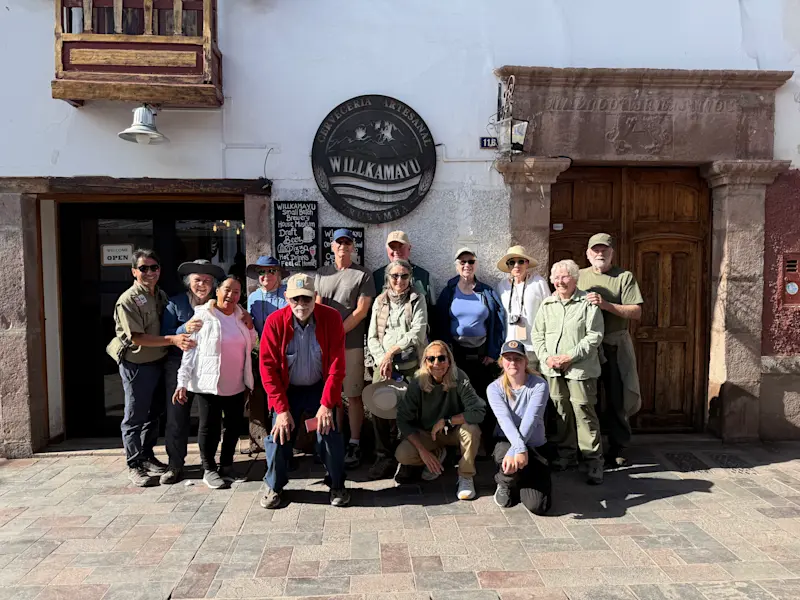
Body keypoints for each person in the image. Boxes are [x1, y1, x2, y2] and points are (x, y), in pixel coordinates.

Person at [106, 249, 195, 487]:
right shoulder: (128, 300)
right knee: (134, 415)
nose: (149, 272)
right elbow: (137, 337)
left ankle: (146, 456)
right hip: (137, 363)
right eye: (143, 268)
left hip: (159, 362)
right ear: (134, 271)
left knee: (153, 414)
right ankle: (134, 464)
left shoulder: (160, 295)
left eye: (153, 267)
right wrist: (173, 340)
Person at [260, 273, 349, 508]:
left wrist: (327, 404)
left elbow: (337, 366)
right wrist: (280, 409)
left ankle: (337, 484)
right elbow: (267, 368)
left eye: (306, 299)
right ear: (287, 298)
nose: (301, 304)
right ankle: (274, 486)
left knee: (329, 434)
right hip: (286, 389)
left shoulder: (331, 319)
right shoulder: (274, 322)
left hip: (319, 388)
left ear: (315, 298)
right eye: (295, 299)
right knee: (279, 436)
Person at [173, 275, 257, 489]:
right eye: (227, 289)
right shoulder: (202, 316)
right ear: (217, 291)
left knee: (233, 426)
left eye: (237, 291)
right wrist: (182, 381)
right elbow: (189, 352)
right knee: (209, 427)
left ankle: (227, 466)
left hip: (236, 382)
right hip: (208, 383)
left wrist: (250, 324)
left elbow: (252, 342)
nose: (231, 295)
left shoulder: (240, 317)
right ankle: (209, 469)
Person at [532, 259, 605, 485]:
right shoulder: (547, 305)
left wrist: (569, 356)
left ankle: (593, 461)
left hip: (580, 369)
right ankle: (567, 455)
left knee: (583, 412)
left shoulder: (588, 303)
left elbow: (594, 336)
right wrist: (547, 358)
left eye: (565, 277)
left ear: (575, 279)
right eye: (556, 277)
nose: (559, 281)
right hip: (553, 370)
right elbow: (538, 335)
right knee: (561, 412)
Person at [578, 233, 643, 468]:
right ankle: (588, 448)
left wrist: (606, 305)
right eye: (595, 250)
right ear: (588, 253)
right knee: (587, 399)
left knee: (617, 398)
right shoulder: (580, 276)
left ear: (612, 252)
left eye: (604, 250)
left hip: (614, 346)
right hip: (586, 348)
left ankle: (618, 446)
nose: (599, 254)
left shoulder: (624, 277)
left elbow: (636, 312)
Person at [160, 259, 226, 484]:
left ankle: (210, 465)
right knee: (177, 416)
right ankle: (175, 464)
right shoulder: (175, 304)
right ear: (189, 282)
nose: (202, 284)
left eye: (207, 280)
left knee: (210, 419)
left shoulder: (220, 305)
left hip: (209, 368)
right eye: (198, 280)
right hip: (179, 365)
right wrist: (182, 329)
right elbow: (164, 333)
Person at [315, 228, 376, 469]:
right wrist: (323, 335)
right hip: (325, 345)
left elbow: (361, 311)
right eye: (339, 242)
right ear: (332, 246)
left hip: (350, 344)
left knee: (352, 394)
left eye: (347, 242)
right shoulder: (322, 273)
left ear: (353, 247)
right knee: (331, 395)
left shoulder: (363, 275)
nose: (343, 246)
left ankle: (355, 441)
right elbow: (317, 306)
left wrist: (337, 331)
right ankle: (334, 437)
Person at [395, 341, 486, 500]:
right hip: (429, 434)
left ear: (449, 360)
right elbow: (403, 420)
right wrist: (423, 451)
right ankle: (436, 454)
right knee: (402, 454)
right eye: (431, 359)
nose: (437, 363)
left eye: (442, 358)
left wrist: (448, 420)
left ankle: (465, 476)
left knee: (471, 430)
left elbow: (479, 411)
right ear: (425, 362)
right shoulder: (417, 382)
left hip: (453, 430)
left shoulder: (459, 377)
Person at [435, 247, 505, 453]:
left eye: (471, 261)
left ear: (476, 264)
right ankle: (458, 444)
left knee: (483, 397)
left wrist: (493, 352)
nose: (467, 265)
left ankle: (483, 442)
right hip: (455, 354)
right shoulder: (449, 291)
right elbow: (439, 321)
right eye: (462, 262)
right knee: (456, 397)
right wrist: (445, 351)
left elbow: (499, 322)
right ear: (456, 265)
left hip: (482, 355)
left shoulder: (486, 291)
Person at [365, 259, 428, 479]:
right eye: (394, 276)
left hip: (410, 365)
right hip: (384, 365)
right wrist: (383, 359)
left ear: (410, 277)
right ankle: (384, 456)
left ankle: (408, 458)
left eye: (403, 276)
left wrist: (392, 352)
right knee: (378, 408)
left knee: (410, 411)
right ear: (388, 279)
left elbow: (418, 333)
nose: (399, 280)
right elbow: (372, 336)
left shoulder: (417, 299)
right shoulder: (380, 301)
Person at [486, 340, 551, 514]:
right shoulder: (494, 388)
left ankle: (520, 479)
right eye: (508, 358)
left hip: (535, 446)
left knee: (538, 506)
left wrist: (519, 450)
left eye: (518, 358)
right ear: (501, 362)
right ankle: (505, 481)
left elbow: (531, 419)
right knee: (503, 454)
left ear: (525, 362)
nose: (513, 362)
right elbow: (504, 421)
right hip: (507, 442)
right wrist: (517, 450)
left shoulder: (539, 385)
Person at [495, 245, 551, 369]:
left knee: (533, 384)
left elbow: (549, 313)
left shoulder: (539, 283)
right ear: (508, 266)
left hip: (532, 347)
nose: (516, 265)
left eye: (520, 261)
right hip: (509, 347)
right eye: (512, 262)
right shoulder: (502, 286)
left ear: (527, 263)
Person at [372, 231, 435, 310]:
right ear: (387, 250)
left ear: (409, 248)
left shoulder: (424, 276)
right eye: (392, 247)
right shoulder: (377, 276)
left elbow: (433, 310)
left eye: (401, 246)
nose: (397, 250)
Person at [246, 255, 288, 336]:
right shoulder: (253, 297)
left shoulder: (288, 293)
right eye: (262, 271)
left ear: (278, 274)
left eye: (271, 271)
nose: (266, 275)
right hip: (264, 344)